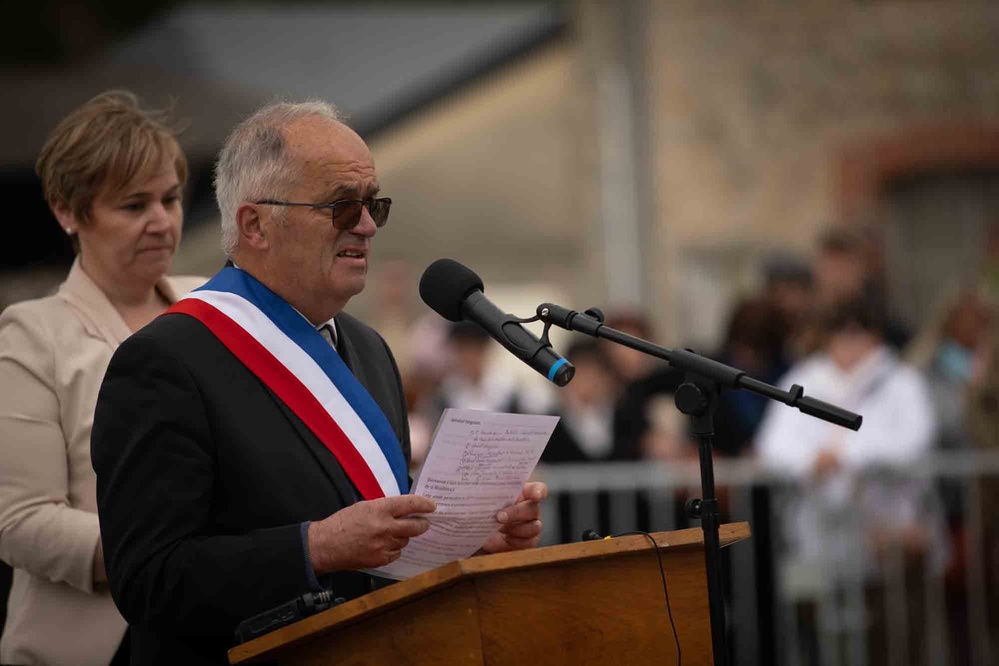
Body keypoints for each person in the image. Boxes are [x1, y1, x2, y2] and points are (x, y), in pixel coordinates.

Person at [90, 100, 547, 665]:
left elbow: (378, 531)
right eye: (340, 206)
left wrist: (467, 540)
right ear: (255, 224)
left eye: (373, 203)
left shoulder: (369, 349)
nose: (367, 224)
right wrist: (313, 548)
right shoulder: (165, 362)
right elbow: (148, 579)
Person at [0, 91, 204, 665]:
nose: (162, 221)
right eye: (134, 205)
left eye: (169, 198)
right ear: (67, 211)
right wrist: (172, 563)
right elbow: (19, 521)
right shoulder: (31, 336)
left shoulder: (216, 304)